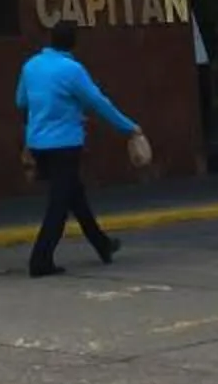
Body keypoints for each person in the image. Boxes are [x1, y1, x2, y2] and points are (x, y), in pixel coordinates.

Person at [15, 17, 141, 276]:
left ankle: (102, 244)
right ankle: (40, 260)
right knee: (59, 204)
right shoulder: (72, 70)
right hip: (65, 145)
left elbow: (21, 101)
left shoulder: (31, 66)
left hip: (38, 142)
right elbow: (99, 103)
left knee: (75, 196)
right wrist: (129, 128)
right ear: (73, 43)